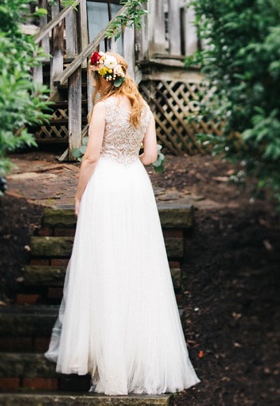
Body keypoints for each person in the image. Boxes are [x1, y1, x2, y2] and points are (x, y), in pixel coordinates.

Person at [44, 51, 200, 395]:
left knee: (105, 267)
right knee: (137, 268)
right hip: (135, 187)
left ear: (103, 78)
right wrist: (130, 161)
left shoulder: (101, 109)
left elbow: (90, 156)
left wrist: (79, 195)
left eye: (95, 77)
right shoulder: (143, 109)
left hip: (107, 186)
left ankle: (110, 365)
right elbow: (152, 156)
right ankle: (140, 360)